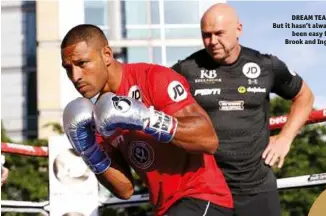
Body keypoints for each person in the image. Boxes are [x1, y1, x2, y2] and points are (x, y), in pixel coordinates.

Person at [60, 24, 234, 216]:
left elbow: (209, 140)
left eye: (82, 63)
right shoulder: (96, 116)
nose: (75, 76)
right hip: (164, 208)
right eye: (68, 68)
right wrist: (90, 151)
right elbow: (124, 190)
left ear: (107, 55)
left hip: (201, 197)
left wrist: (145, 118)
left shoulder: (153, 78)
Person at [171, 3, 314, 216]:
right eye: (206, 35)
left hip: (257, 186)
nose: (212, 42)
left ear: (238, 29)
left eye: (219, 33)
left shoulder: (266, 65)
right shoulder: (187, 68)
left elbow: (305, 96)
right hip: (206, 188)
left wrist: (285, 137)